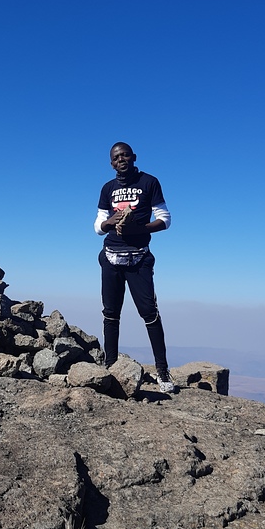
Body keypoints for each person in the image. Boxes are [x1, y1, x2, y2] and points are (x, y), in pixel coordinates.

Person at [94, 141, 175, 394]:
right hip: (111, 257)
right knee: (110, 314)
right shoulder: (108, 188)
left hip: (139, 259)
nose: (121, 160)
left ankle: (162, 371)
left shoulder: (149, 182)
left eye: (125, 155)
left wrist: (139, 228)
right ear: (111, 163)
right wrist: (110, 222)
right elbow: (97, 226)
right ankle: (111, 367)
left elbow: (165, 219)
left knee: (149, 313)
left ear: (133, 157)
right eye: (116, 157)